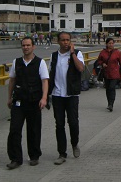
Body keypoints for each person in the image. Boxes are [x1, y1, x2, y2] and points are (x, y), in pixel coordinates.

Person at [6, 36, 49, 169]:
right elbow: (12, 80)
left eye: (28, 45)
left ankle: (34, 156)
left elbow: (45, 81)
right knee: (14, 130)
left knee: (34, 130)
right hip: (19, 101)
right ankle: (15, 158)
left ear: (33, 46)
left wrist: (44, 98)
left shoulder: (40, 63)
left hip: (34, 101)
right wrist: (9, 97)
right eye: (24, 45)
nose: (26, 47)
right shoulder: (16, 62)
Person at [49, 31, 85, 165]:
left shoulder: (77, 53)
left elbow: (80, 68)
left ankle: (74, 143)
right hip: (57, 95)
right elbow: (50, 74)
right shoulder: (53, 56)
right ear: (58, 41)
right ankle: (62, 153)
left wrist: (73, 54)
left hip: (71, 95)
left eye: (67, 40)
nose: (65, 42)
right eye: (63, 40)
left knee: (73, 122)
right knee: (59, 125)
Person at [96, 37, 121, 112]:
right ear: (106, 44)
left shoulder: (117, 52)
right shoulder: (103, 52)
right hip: (106, 73)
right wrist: (102, 64)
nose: (111, 45)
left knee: (112, 88)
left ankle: (111, 104)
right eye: (109, 43)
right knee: (108, 88)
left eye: (112, 43)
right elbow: (99, 60)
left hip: (115, 73)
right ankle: (109, 103)